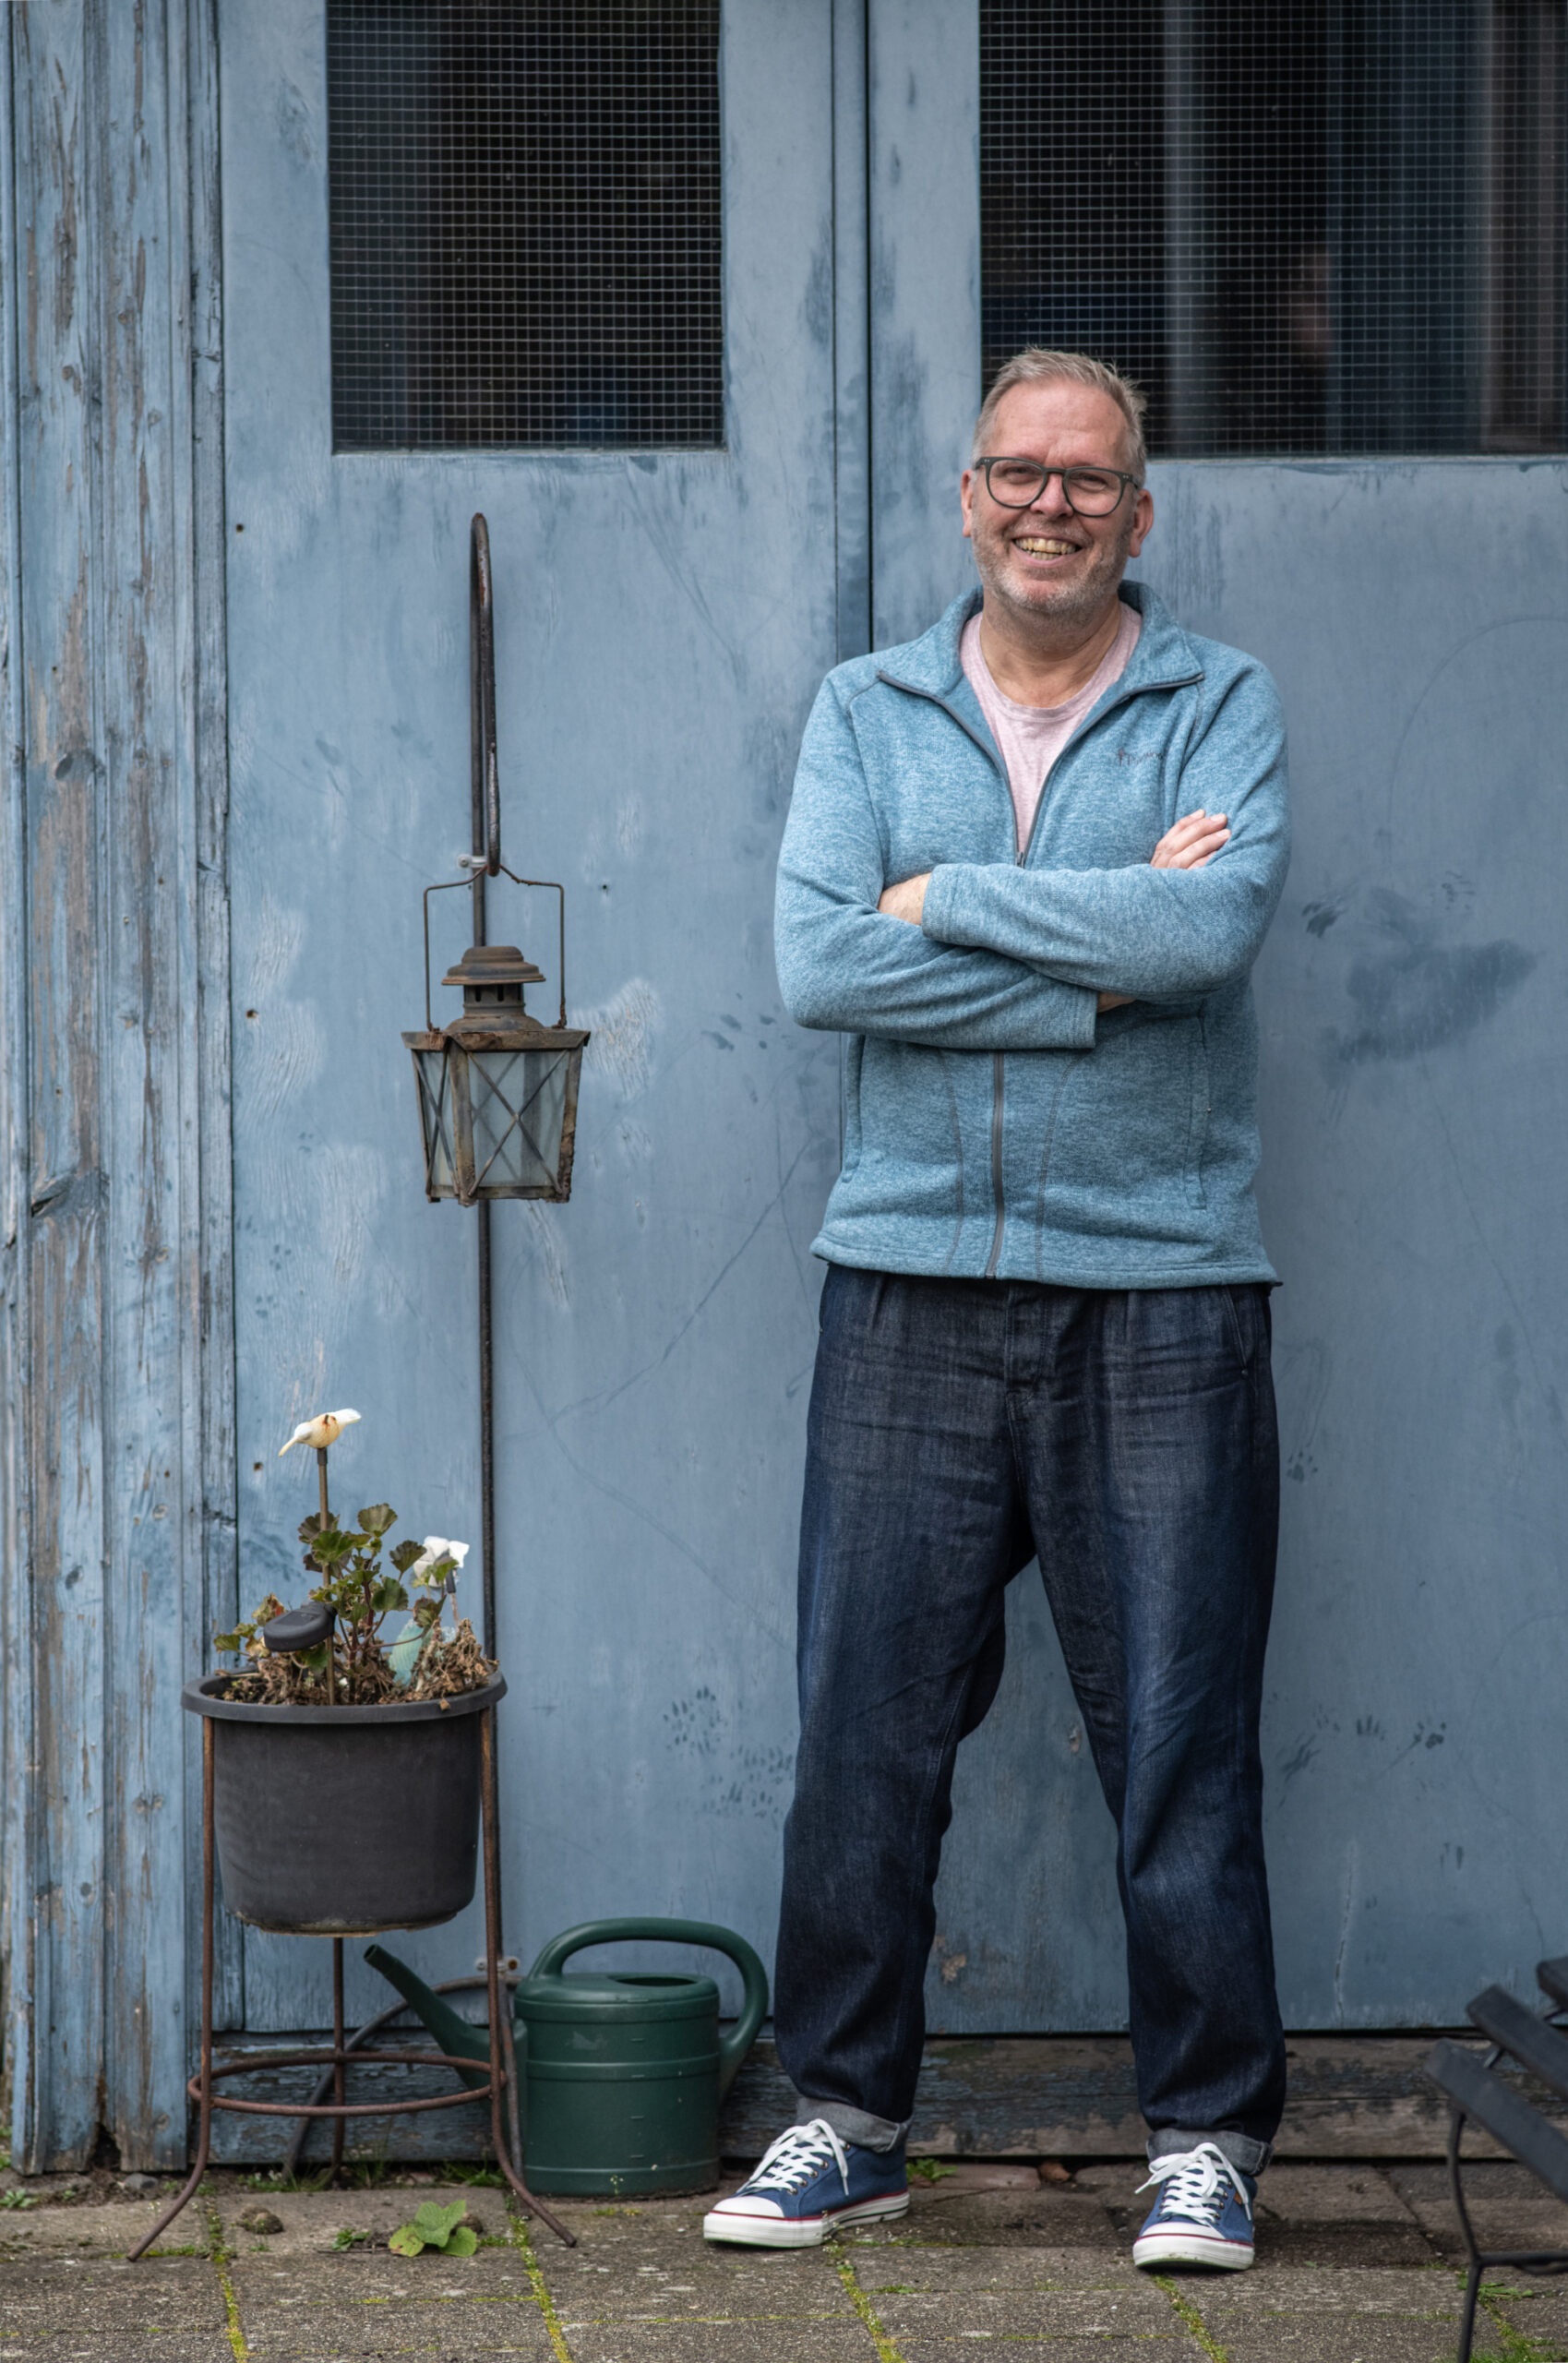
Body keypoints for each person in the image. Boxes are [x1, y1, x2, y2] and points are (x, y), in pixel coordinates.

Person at [703, 349, 1291, 2270]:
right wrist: (1097, 961)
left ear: (1139, 511)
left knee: (1180, 1733)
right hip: (908, 1281)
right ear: (969, 497)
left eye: (1088, 477)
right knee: (862, 1730)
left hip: (1161, 1288)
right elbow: (817, 964)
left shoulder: (1219, 703)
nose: (1051, 503)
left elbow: (1211, 933)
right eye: (1018, 471)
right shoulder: (865, 707)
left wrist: (936, 897)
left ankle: (1207, 2135)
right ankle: (844, 2118)